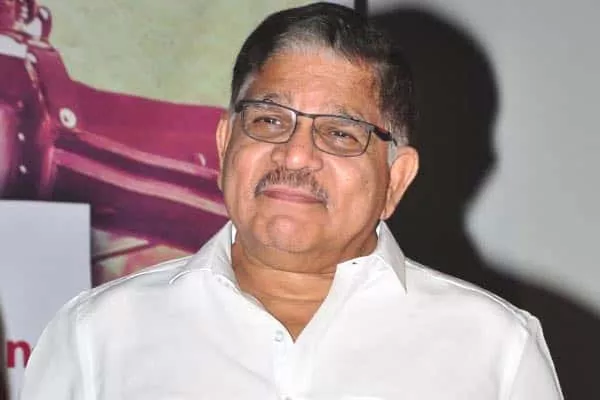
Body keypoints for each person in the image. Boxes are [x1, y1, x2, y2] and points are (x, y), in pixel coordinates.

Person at [20, 2, 563, 399]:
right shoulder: (97, 336)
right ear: (225, 145)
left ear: (396, 180)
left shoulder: (493, 348)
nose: (296, 154)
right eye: (269, 120)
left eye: (340, 133)